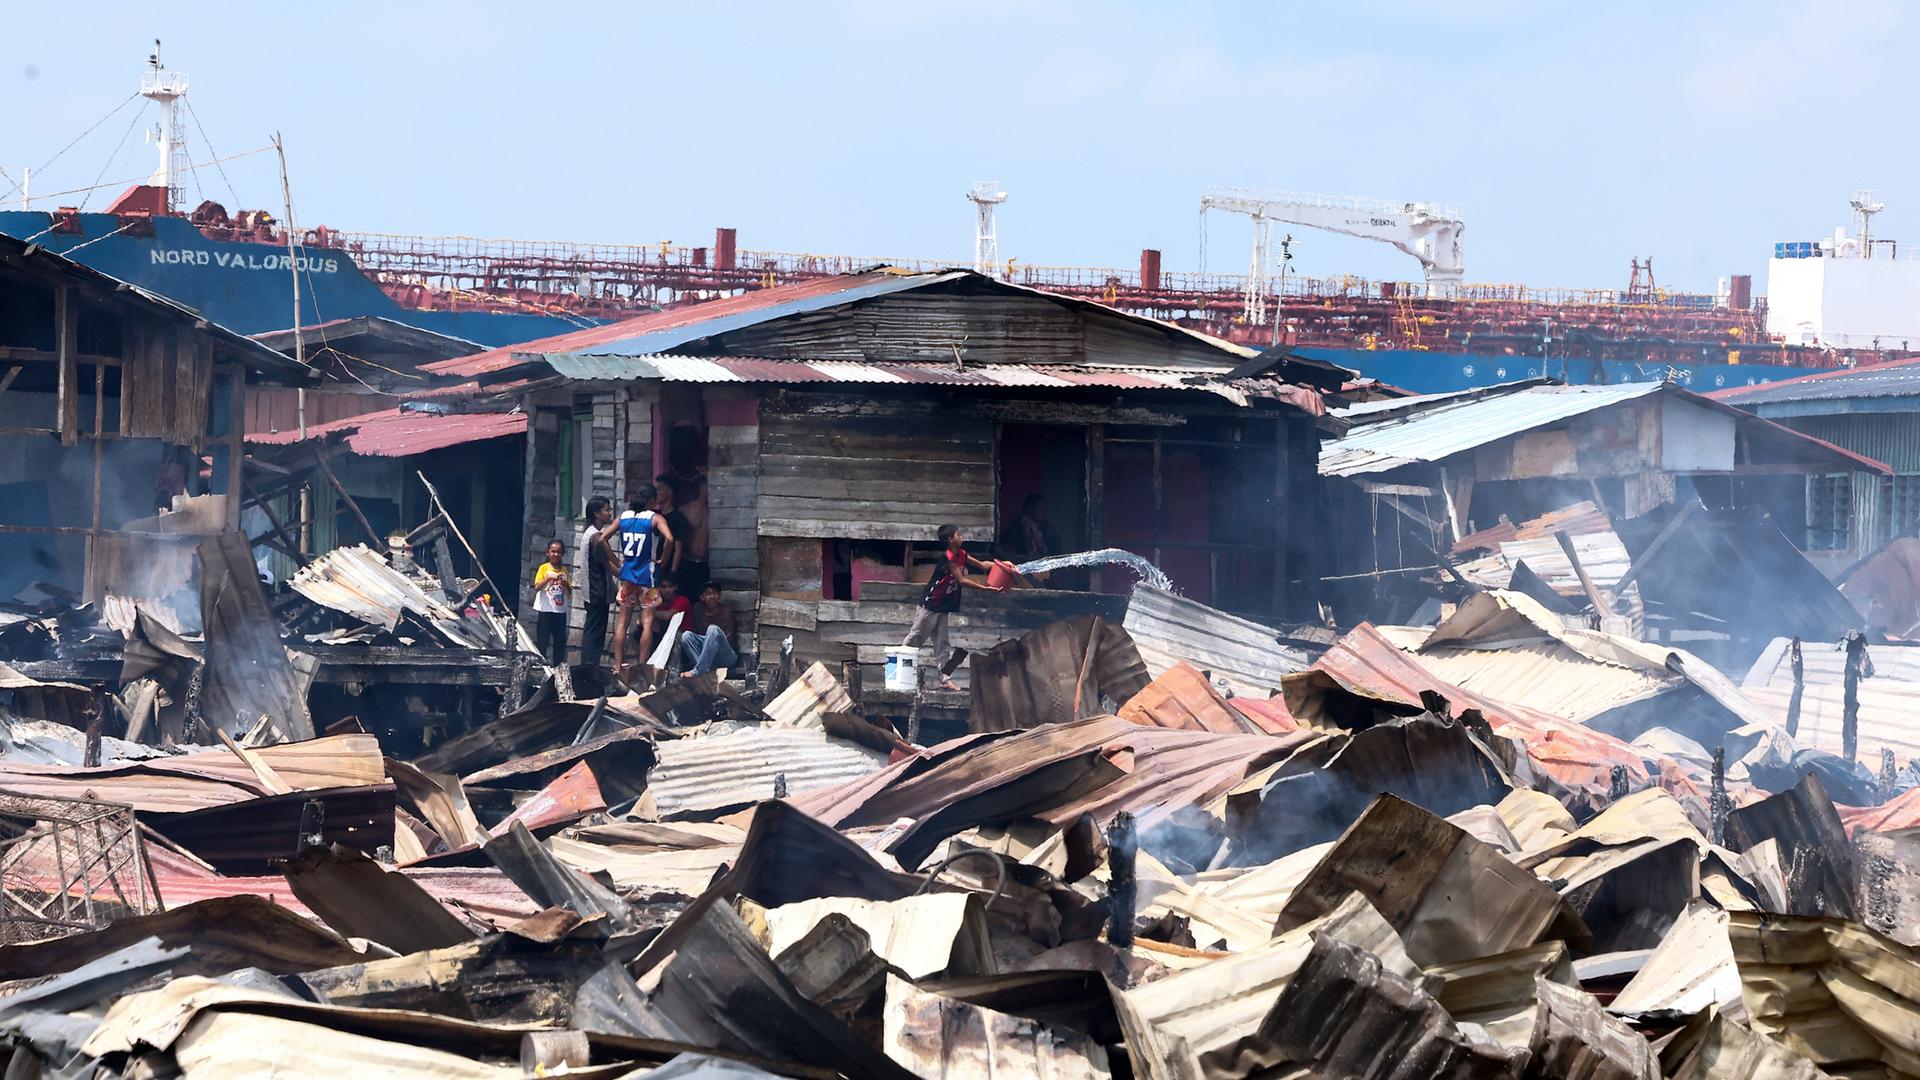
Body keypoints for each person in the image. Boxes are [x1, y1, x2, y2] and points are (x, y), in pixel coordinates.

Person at [902, 524, 1005, 692]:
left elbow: (981, 565)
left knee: (942, 644)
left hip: (943, 606)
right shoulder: (949, 558)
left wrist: (1000, 565)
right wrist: (985, 588)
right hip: (931, 604)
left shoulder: (962, 554)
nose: (962, 536)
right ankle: (898, 666)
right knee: (915, 637)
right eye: (959, 534)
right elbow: (962, 580)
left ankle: (944, 679)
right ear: (951, 539)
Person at [599, 484, 674, 680]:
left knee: (622, 622)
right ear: (651, 501)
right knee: (647, 622)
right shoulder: (654, 518)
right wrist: (663, 561)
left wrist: (617, 562)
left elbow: (602, 539)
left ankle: (617, 665)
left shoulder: (623, 517)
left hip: (627, 576)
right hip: (646, 576)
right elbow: (670, 539)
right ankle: (642, 665)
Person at [577, 496, 617, 668]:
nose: (609, 513)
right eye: (606, 510)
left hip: (591, 589)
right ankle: (589, 666)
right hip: (597, 589)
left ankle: (590, 664)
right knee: (595, 631)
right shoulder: (596, 537)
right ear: (596, 514)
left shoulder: (589, 533)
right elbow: (608, 564)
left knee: (593, 628)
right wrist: (626, 574)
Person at [636, 570, 692, 674]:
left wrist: (650, 612)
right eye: (663, 587)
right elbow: (639, 620)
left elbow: (667, 616)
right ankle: (646, 665)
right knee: (643, 629)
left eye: (670, 587)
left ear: (675, 587)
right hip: (662, 637)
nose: (667, 590)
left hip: (681, 640)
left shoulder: (682, 600)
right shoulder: (657, 601)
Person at [680, 581, 737, 676]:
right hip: (706, 658)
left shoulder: (726, 610)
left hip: (724, 655)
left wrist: (710, 646)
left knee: (713, 630)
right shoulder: (698, 609)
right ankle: (703, 670)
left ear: (720, 595)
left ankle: (698, 671)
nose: (712, 597)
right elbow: (696, 633)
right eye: (708, 594)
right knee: (686, 635)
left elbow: (728, 639)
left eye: (715, 593)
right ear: (702, 597)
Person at [531, 539, 572, 665]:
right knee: (542, 640)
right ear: (548, 553)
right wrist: (548, 578)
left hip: (560, 611)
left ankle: (558, 666)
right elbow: (537, 587)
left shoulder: (564, 570)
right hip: (545, 610)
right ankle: (540, 665)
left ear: (562, 554)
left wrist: (565, 583)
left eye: (559, 552)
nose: (556, 554)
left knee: (559, 641)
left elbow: (569, 592)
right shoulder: (544, 568)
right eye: (553, 551)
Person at [653, 474, 694, 590]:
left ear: (669, 492)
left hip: (667, 566)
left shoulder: (677, 518)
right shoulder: (654, 515)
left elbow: (678, 548)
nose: (656, 493)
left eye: (659, 489)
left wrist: (673, 571)